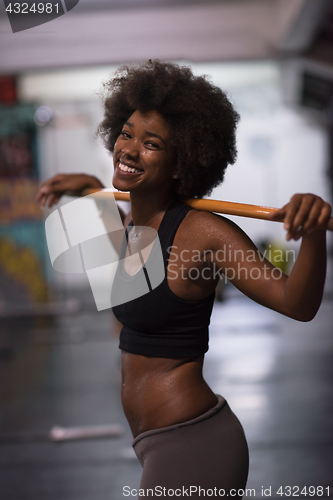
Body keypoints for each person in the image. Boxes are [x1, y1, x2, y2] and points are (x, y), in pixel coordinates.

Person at [36, 60, 331, 499]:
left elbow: (296, 303)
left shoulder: (203, 233)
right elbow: (124, 255)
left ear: (181, 162)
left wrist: (312, 233)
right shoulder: (138, 225)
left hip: (193, 442)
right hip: (151, 441)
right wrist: (93, 189)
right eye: (126, 133)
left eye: (151, 143)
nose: (130, 149)